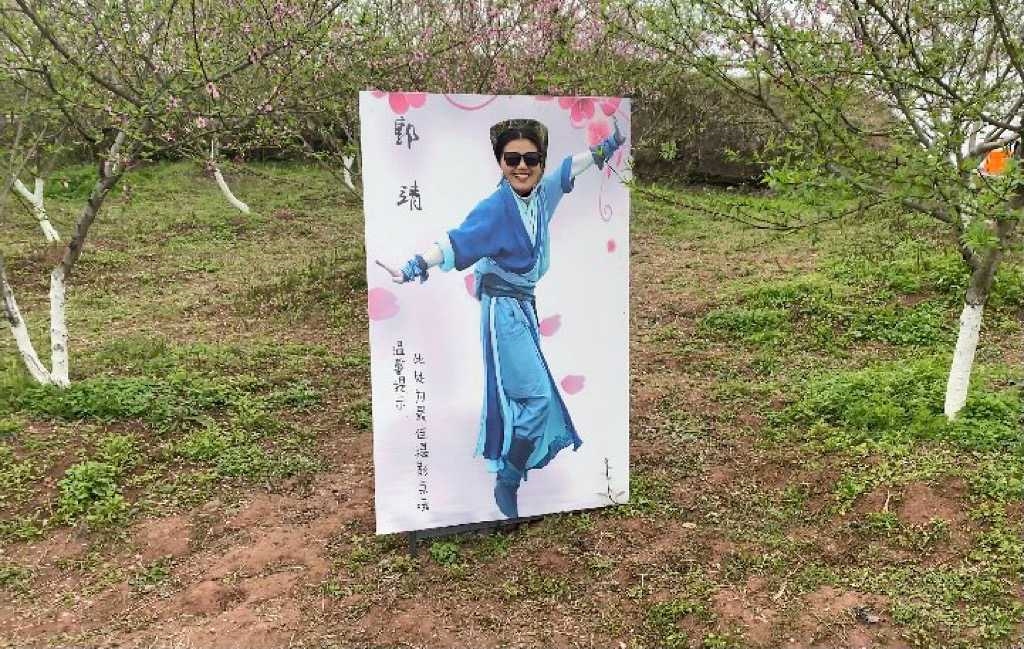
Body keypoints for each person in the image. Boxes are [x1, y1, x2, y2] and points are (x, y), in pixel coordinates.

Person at [377, 117, 626, 519]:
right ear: (501, 162)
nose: (522, 166)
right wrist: (413, 266)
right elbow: (456, 240)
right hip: (503, 312)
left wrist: (609, 145)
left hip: (523, 307)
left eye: (531, 158)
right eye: (512, 159)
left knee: (535, 396)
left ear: (540, 163)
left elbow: (571, 168)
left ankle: (510, 474)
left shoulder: (542, 196)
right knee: (537, 396)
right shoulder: (495, 209)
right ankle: (507, 478)